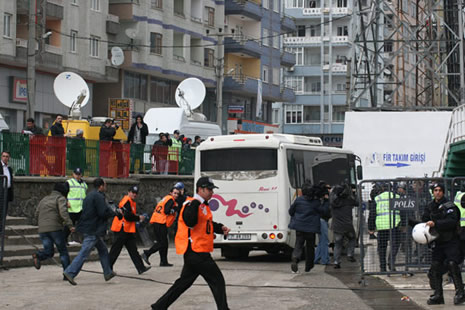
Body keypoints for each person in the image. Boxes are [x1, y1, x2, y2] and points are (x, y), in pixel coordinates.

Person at [151, 177, 230, 310]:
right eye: (209, 189)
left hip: (195, 252)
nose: (212, 192)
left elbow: (205, 224)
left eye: (212, 189)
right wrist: (195, 204)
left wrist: (220, 228)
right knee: (217, 280)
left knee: (182, 283)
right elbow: (190, 221)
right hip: (197, 252)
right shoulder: (192, 204)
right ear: (200, 189)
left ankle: (159, 306)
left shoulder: (202, 205)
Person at [63, 178, 120, 285]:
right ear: (101, 186)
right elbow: (102, 212)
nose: (106, 187)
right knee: (84, 252)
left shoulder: (89, 195)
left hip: (90, 227)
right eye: (105, 185)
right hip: (93, 229)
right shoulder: (98, 196)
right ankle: (70, 272)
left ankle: (108, 272)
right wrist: (114, 212)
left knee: (103, 250)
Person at [422, 183, 465, 305]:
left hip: (451, 240)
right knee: (436, 266)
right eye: (435, 190)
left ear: (443, 192)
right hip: (438, 241)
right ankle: (438, 295)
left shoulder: (449, 206)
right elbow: (424, 218)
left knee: (452, 264)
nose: (437, 192)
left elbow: (451, 221)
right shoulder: (430, 206)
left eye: (440, 190)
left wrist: (435, 223)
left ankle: (460, 293)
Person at [109, 186, 151, 274]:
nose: (134, 194)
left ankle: (141, 267)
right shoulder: (127, 201)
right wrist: (138, 218)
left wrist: (137, 218)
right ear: (128, 192)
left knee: (133, 250)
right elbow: (127, 216)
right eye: (133, 192)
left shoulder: (130, 202)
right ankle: (108, 268)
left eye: (136, 193)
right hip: (122, 228)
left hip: (127, 229)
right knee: (116, 250)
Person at [289, 182, 329, 273]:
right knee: (310, 247)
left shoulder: (298, 200)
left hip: (299, 226)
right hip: (311, 228)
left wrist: (295, 216)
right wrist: (326, 201)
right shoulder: (315, 202)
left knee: (298, 244)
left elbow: (291, 211)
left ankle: (295, 259)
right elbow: (324, 211)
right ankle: (308, 266)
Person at [32, 182, 74, 271]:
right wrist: (70, 225)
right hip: (55, 229)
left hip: (42, 230)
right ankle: (67, 272)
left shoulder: (44, 199)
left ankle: (38, 255)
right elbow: (63, 213)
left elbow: (36, 214)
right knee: (63, 251)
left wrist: (41, 223)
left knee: (49, 251)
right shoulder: (60, 198)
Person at [142, 187, 180, 266]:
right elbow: (166, 210)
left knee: (164, 243)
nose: (176, 195)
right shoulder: (170, 199)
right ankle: (147, 253)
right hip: (160, 222)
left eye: (177, 193)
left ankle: (163, 261)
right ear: (171, 193)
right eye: (175, 193)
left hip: (158, 221)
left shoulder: (166, 198)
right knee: (162, 242)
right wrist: (174, 209)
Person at [368, 183, 401, 272]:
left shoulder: (378, 198)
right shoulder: (397, 197)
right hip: (395, 225)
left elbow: (372, 214)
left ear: (382, 188)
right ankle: (391, 263)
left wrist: (371, 227)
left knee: (382, 247)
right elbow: (403, 212)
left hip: (382, 226)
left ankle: (382, 267)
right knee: (395, 244)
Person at [330, 182, 358, 269]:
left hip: (337, 226)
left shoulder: (333, 202)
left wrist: (332, 192)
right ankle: (350, 254)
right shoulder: (349, 201)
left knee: (337, 244)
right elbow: (357, 203)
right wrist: (353, 193)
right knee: (352, 239)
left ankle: (336, 262)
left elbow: (330, 199)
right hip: (348, 225)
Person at [66, 167, 87, 244]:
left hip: (81, 209)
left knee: (83, 226)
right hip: (71, 208)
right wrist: (66, 201)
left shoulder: (84, 184)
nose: (78, 176)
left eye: (79, 174)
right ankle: (63, 241)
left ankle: (82, 241)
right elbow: (63, 193)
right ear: (73, 174)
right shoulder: (68, 183)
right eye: (76, 174)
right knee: (68, 227)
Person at [314, 183, 331, 266]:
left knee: (321, 241)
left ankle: (316, 258)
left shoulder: (315, 199)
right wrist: (327, 200)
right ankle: (325, 259)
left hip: (317, 220)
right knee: (324, 241)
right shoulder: (323, 201)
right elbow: (326, 211)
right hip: (322, 220)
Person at [0, 151, 13, 218]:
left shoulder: (9, 168)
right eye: (4, 156)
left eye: (7, 156)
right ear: (1, 157)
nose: (5, 158)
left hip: (7, 191)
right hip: (1, 191)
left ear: (9, 158)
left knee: (4, 210)